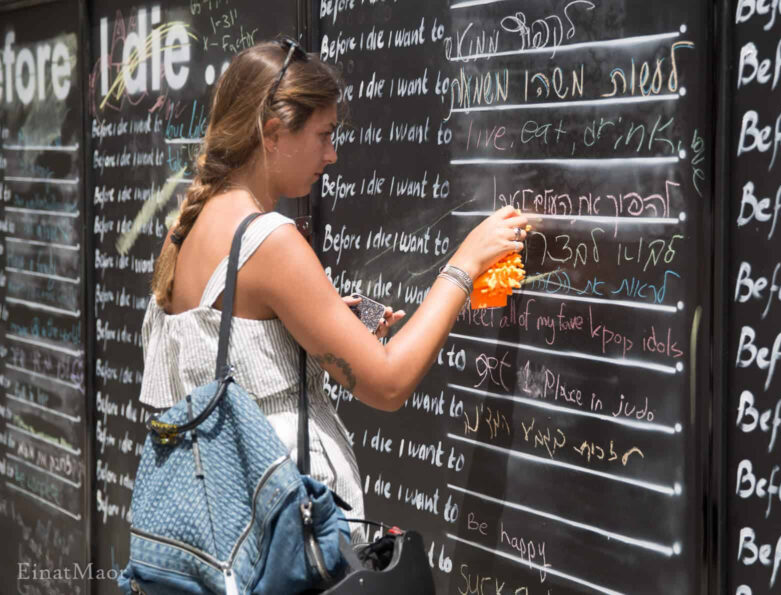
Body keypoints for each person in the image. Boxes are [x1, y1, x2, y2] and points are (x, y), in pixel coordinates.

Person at [138, 38, 529, 543]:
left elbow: (226, 349)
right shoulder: (268, 240)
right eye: (324, 134)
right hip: (281, 534)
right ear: (274, 134)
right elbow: (387, 383)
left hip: (224, 529)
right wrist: (464, 264)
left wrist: (301, 330)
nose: (332, 153)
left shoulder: (185, 230)